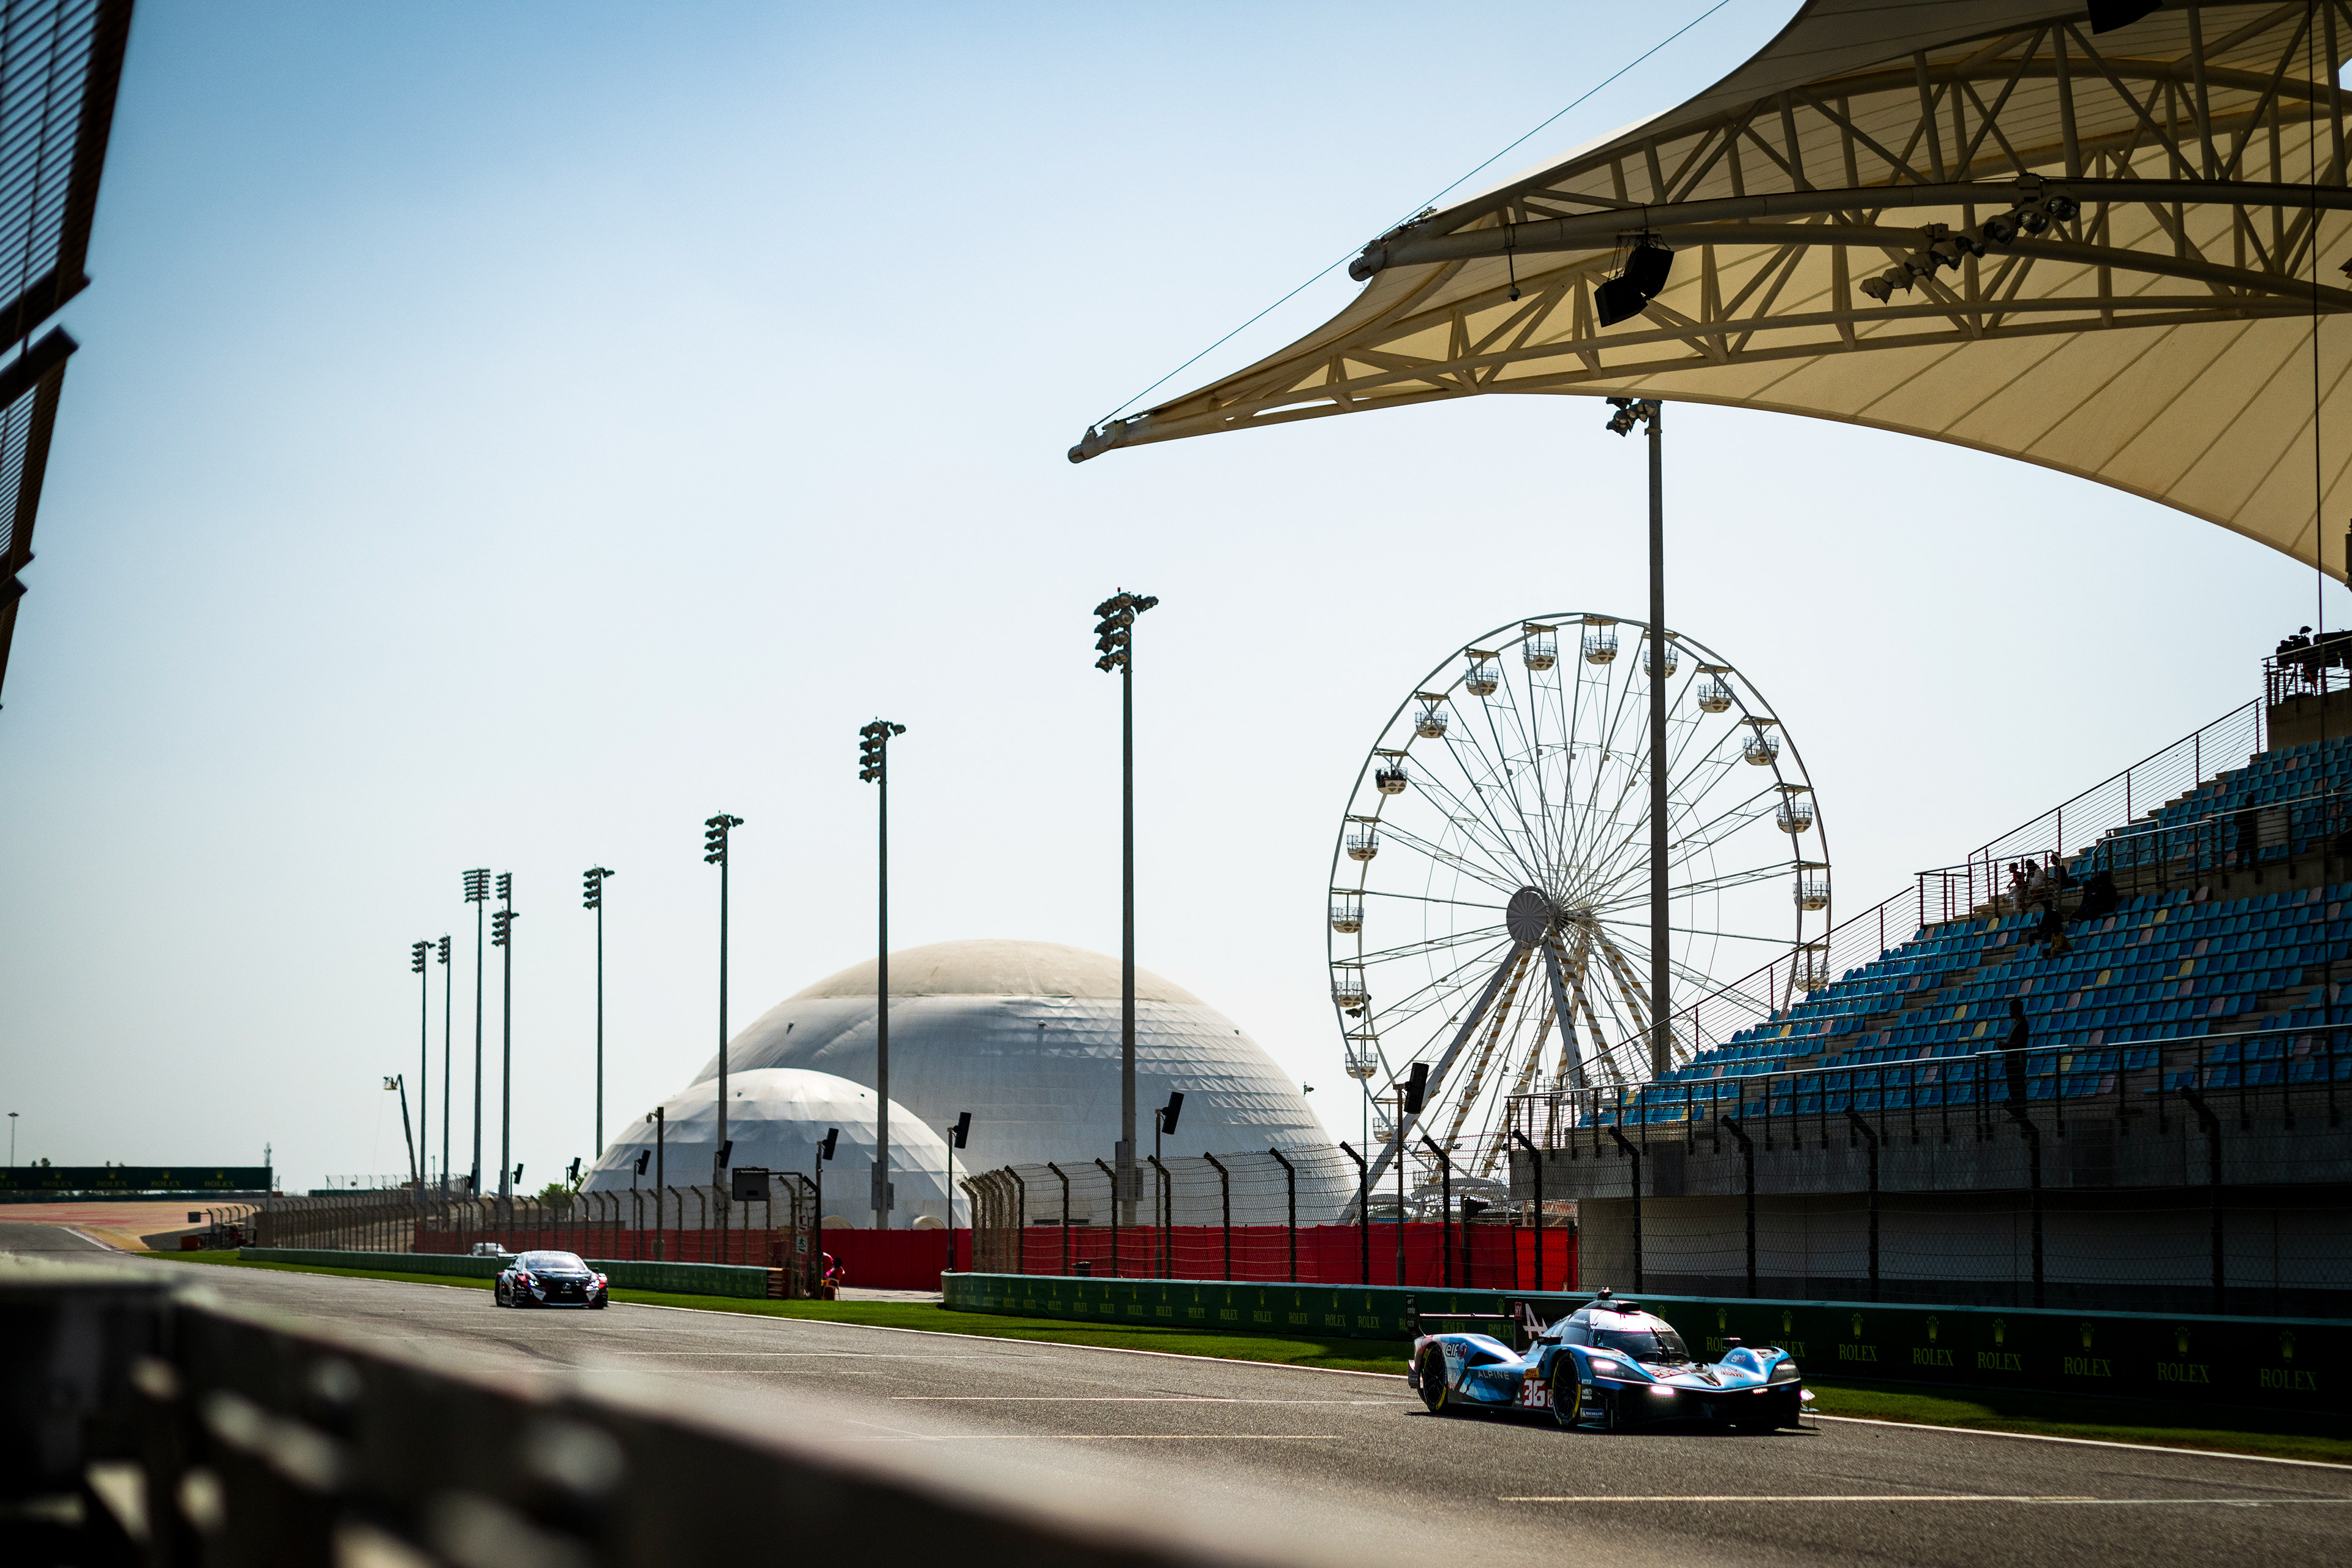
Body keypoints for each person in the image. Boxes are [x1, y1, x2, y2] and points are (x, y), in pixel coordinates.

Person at [2003, 998, 2030, 1107]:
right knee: (2012, 1084)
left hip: (2017, 1060)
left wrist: (2006, 1046)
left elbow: (2022, 1043)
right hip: (2011, 1060)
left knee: (2017, 1083)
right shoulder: (2015, 1023)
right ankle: (2016, 1107)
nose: (2009, 1012)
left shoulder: (2022, 1024)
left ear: (2014, 1011)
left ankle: (2021, 1108)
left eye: (2010, 1010)